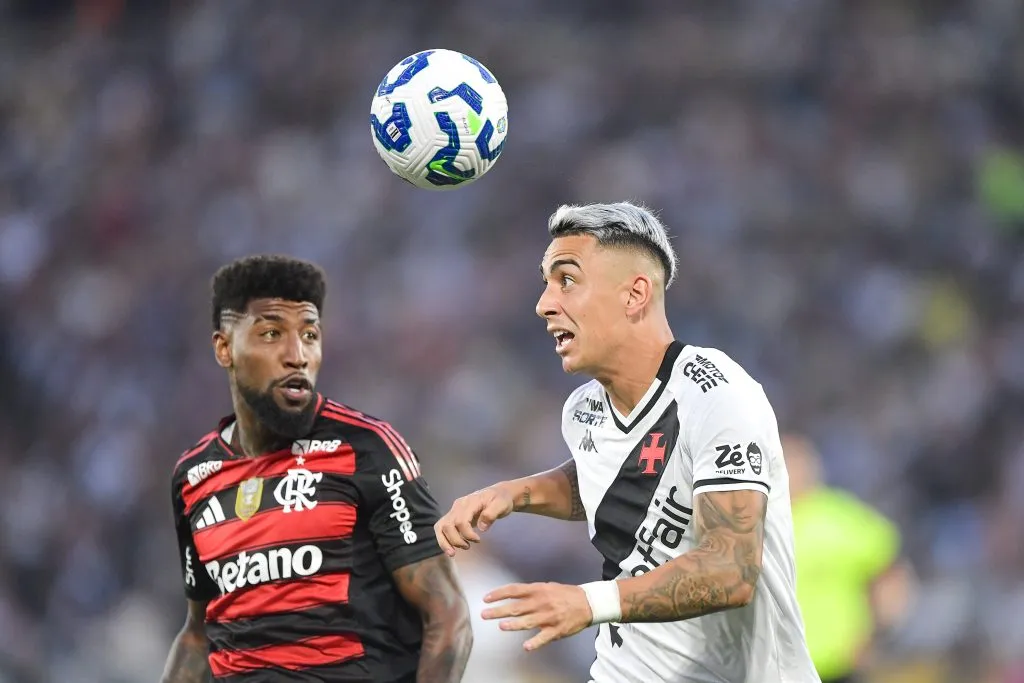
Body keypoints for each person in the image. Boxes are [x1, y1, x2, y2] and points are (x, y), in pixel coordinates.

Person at [434, 202, 820, 682]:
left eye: (567, 280)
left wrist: (588, 602)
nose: (544, 303)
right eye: (546, 283)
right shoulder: (583, 410)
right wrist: (512, 494)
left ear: (635, 294)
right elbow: (607, 478)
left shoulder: (718, 394)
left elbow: (731, 570)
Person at [161, 255, 472, 683]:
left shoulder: (367, 448)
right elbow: (198, 636)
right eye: (272, 334)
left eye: (310, 335)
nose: (297, 355)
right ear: (224, 348)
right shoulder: (193, 476)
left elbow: (448, 616)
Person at [784, 433, 914, 683]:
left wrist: (878, 635)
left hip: (838, 665)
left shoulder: (842, 520)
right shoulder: (752, 522)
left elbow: (891, 573)